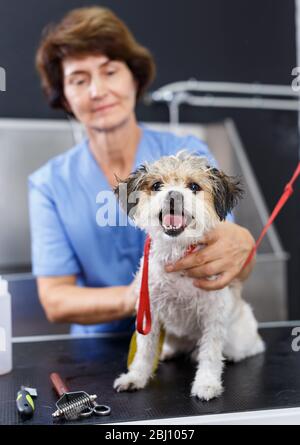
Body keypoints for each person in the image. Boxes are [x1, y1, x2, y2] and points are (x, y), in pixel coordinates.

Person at [29, 6, 256, 336]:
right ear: (64, 98)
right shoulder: (49, 184)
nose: (97, 91)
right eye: (79, 80)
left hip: (182, 341)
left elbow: (225, 254)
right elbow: (55, 300)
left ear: (134, 79)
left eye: (110, 72)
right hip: (95, 355)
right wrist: (136, 296)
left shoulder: (190, 155)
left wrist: (243, 245)